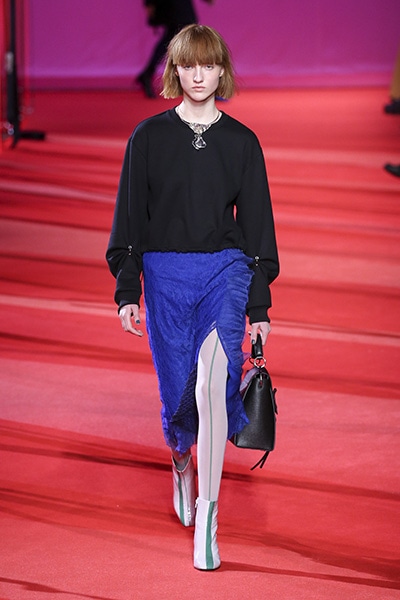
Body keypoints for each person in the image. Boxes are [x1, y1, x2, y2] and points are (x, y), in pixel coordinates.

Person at [106, 24, 279, 570]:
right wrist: (127, 288)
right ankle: (180, 459)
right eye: (188, 65)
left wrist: (258, 306)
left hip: (224, 271)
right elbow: (130, 219)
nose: (199, 75)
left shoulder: (242, 142)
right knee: (179, 395)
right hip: (165, 276)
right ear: (174, 70)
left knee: (211, 384)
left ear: (222, 70)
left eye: (209, 65)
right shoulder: (148, 137)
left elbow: (257, 228)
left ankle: (209, 513)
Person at [137, 0, 214, 97]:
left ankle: (148, 74)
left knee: (177, 40)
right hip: (175, 9)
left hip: (179, 9)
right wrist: (150, 5)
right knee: (180, 39)